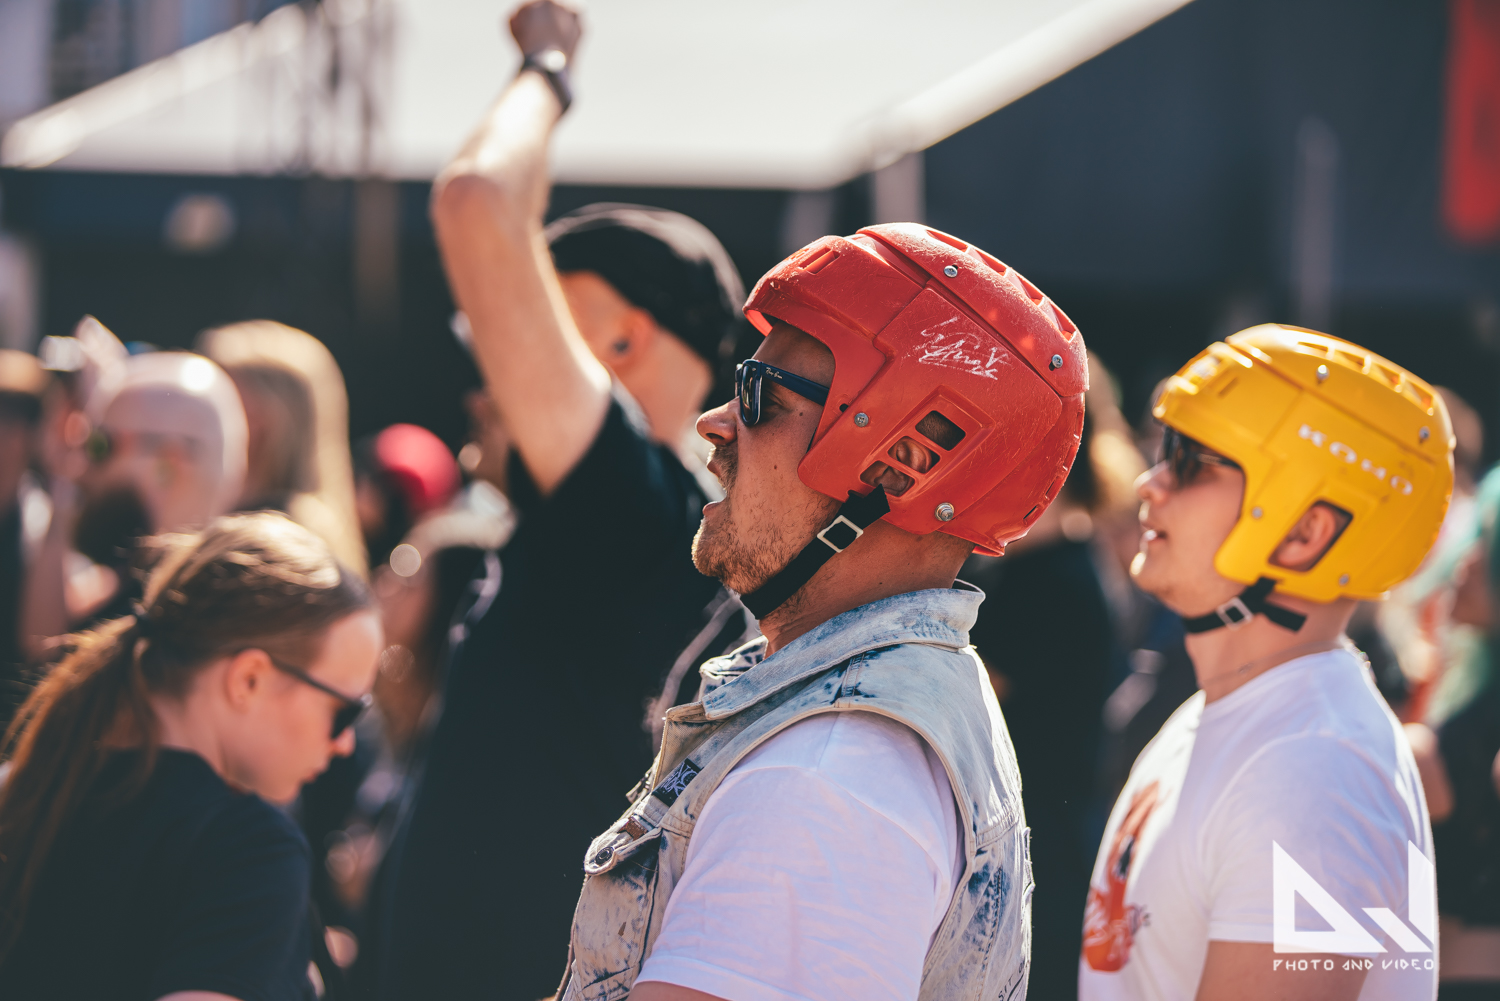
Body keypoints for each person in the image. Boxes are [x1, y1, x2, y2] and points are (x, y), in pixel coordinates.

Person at [558, 218, 1088, 1001]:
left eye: (758, 395)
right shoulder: (875, 713)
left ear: (900, 464)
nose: (715, 422)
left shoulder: (825, 780)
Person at [358, 4, 754, 997]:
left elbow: (476, 205)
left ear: (621, 344)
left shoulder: (630, 503)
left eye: (520, 328)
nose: (485, 378)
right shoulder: (637, 514)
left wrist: (547, 64)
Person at [1080, 325, 1451, 1001]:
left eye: (1191, 461)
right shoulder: (1235, 719)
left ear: (1305, 533)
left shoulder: (1317, 772)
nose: (1149, 482)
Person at [0, 511, 381, 1001]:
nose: (345, 743)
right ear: (248, 679)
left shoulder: (26, 791)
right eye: (344, 712)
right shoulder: (247, 849)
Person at [963, 353, 1145, 1001]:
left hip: (1036, 855)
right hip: (1041, 842)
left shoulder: (1052, 579)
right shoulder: (1062, 559)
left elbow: (966, 690)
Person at [70, 351, 249, 626]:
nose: (82, 468)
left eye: (101, 445)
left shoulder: (145, 621)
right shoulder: (241, 598)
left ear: (169, 462)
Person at [198, 320, 368, 577]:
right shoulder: (309, 523)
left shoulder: (281, 539)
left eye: (220, 393)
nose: (201, 407)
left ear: (267, 418)